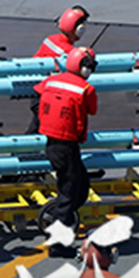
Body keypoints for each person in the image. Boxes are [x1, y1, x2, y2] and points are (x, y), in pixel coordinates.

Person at [36, 45, 99, 231]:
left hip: (52, 142)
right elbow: (93, 110)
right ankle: (59, 228)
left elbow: (38, 91)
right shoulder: (86, 89)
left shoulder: (51, 81)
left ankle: (63, 215)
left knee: (79, 182)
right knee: (70, 187)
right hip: (67, 144)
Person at [28, 7, 90, 130]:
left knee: (37, 126)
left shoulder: (51, 39)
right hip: (49, 94)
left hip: (38, 90)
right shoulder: (69, 53)